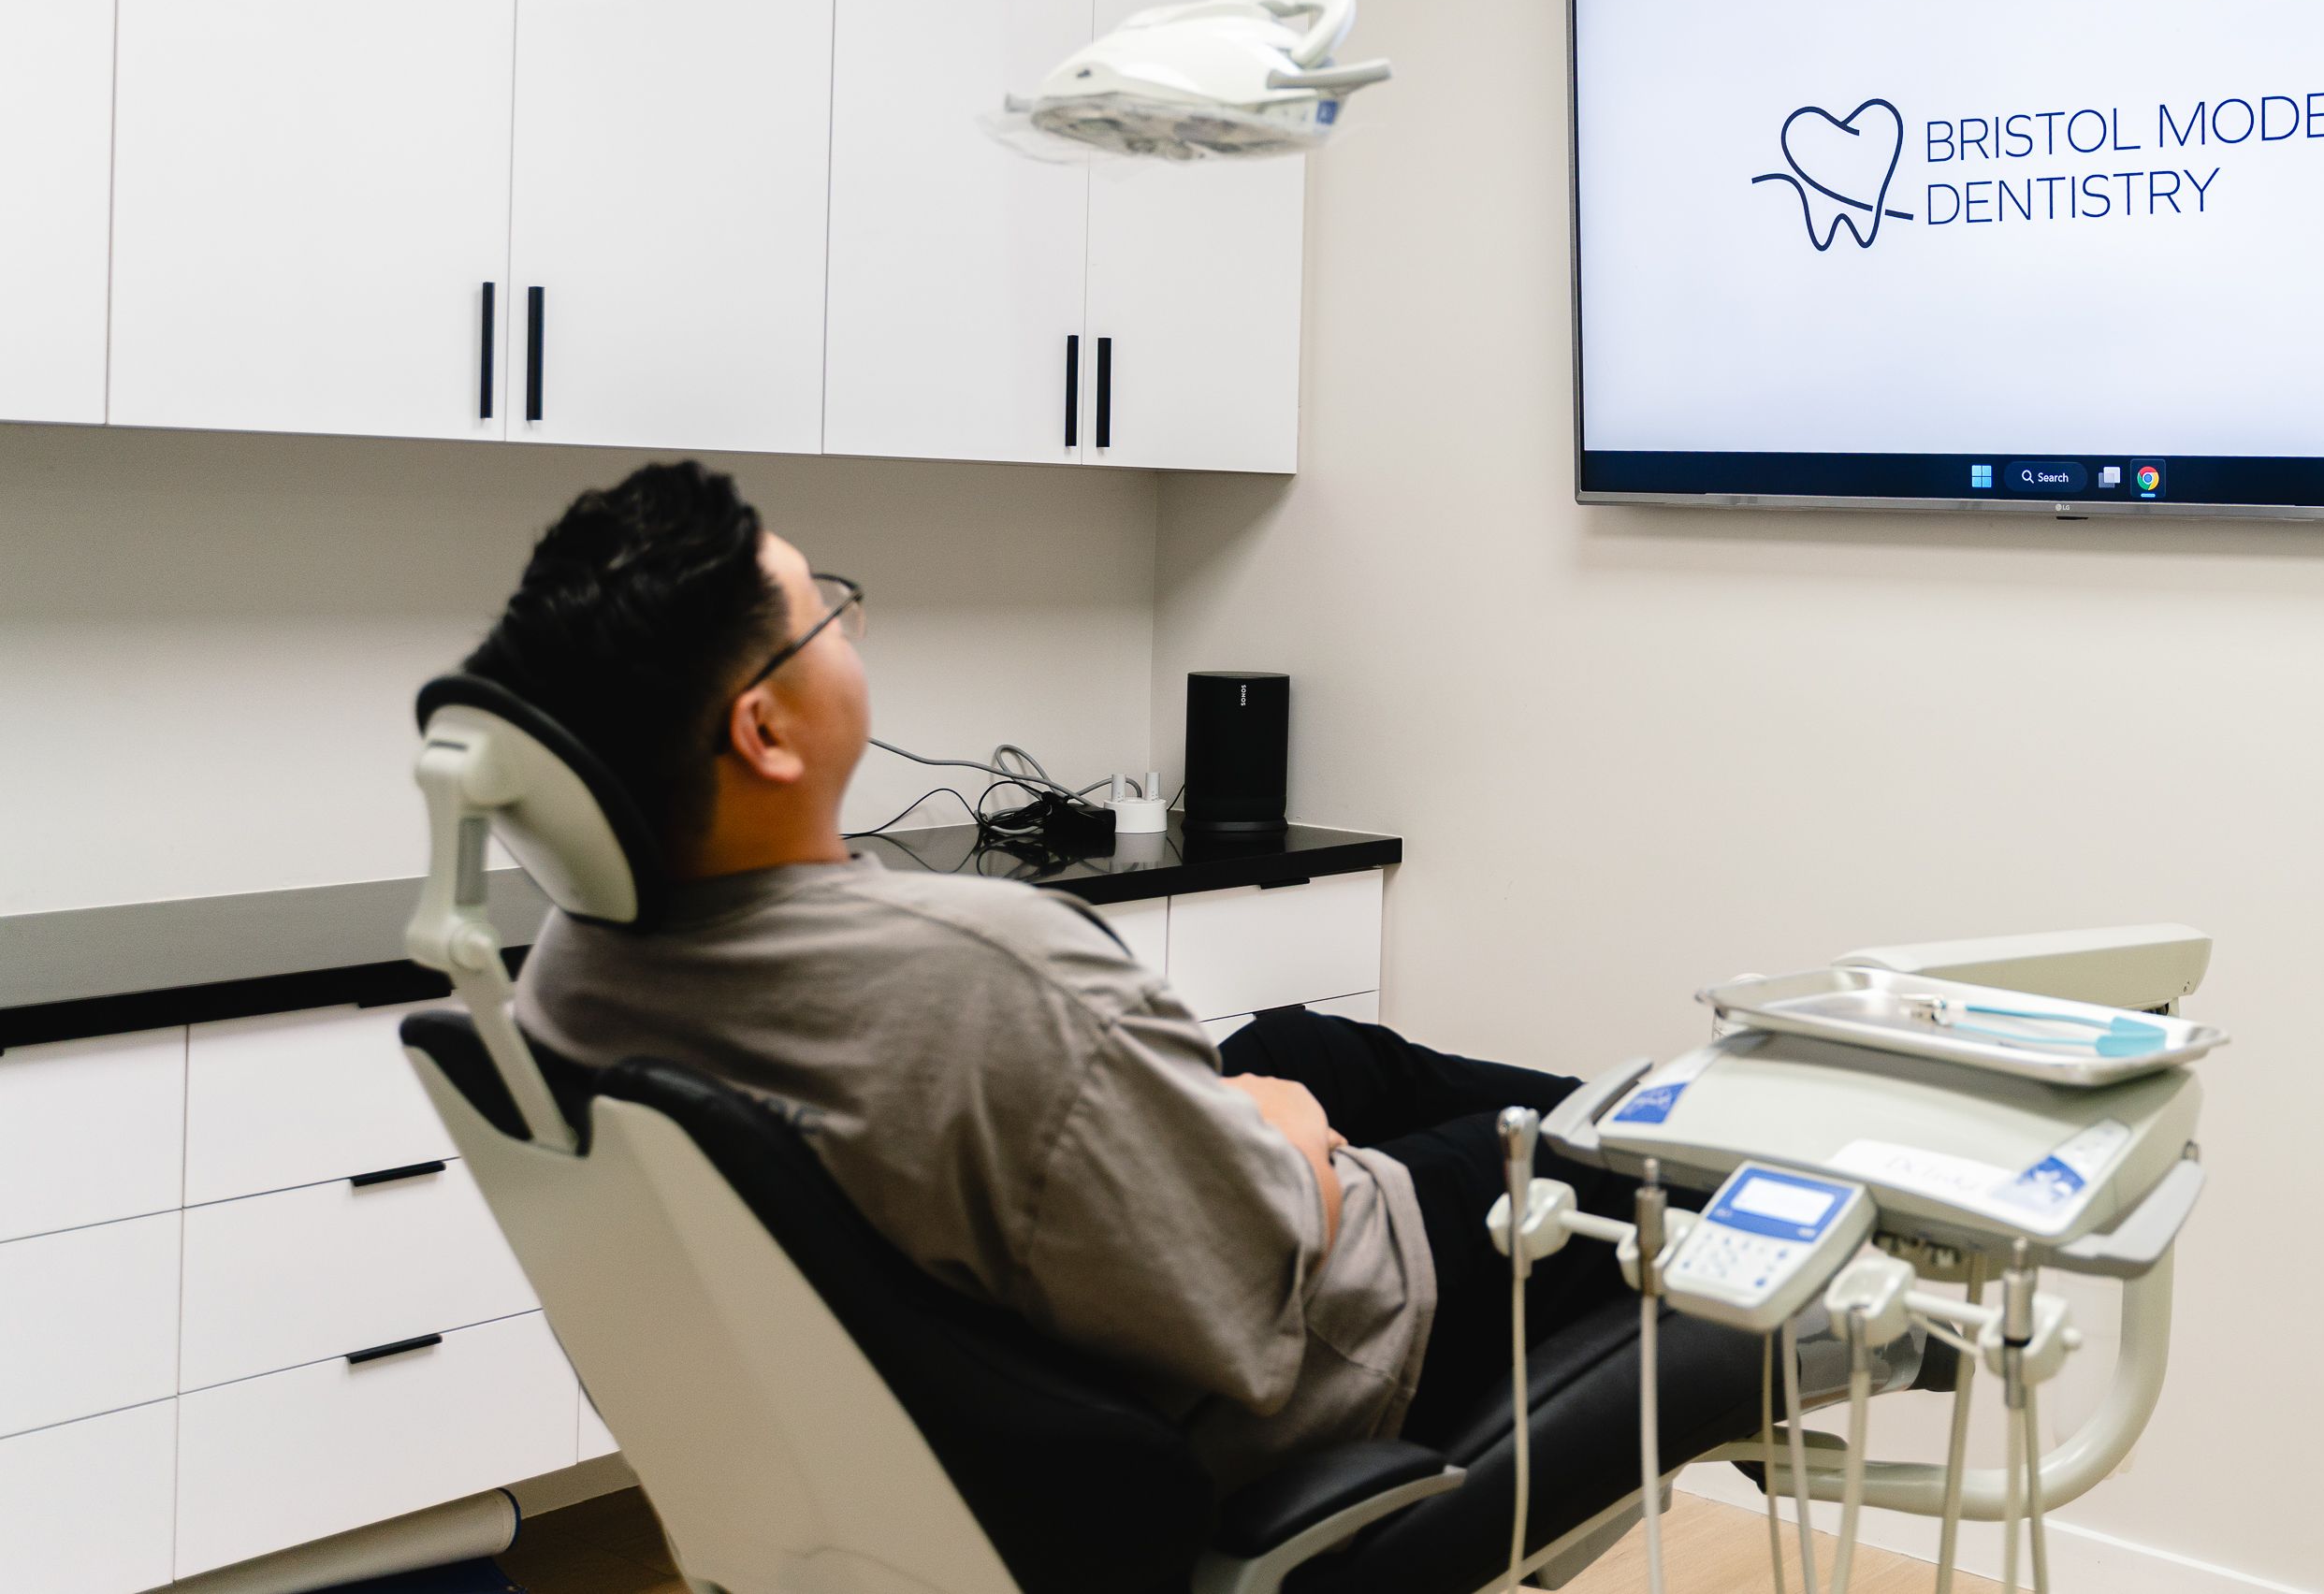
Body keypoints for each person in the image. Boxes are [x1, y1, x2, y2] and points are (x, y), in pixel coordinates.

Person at [472, 460, 1643, 1488]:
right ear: (765, 732)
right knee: (1603, 1155)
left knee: (1306, 1045)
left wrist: (1226, 1115)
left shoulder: (577, 971)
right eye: (822, 615)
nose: (851, 630)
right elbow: (1265, 1264)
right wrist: (1286, 1144)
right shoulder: (988, 970)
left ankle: (1599, 1104)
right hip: (1332, 1331)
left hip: (1030, 1325)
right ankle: (1649, 1129)